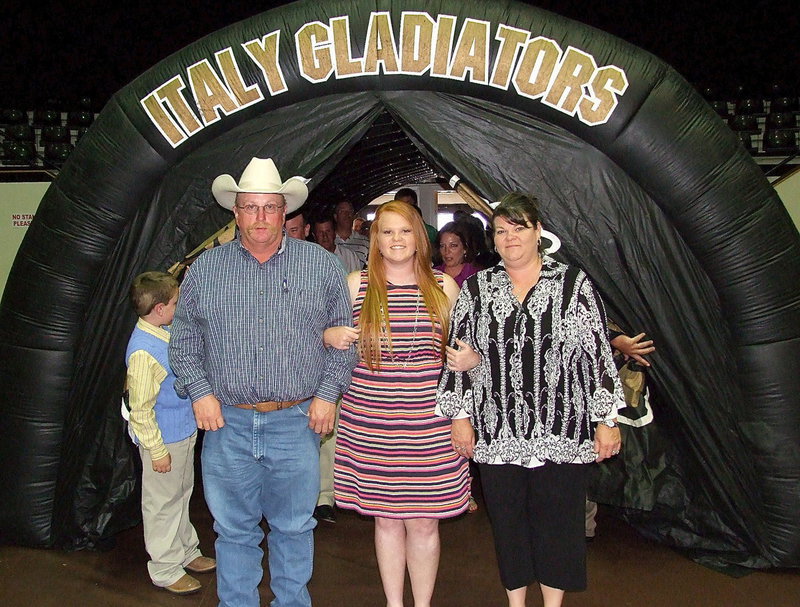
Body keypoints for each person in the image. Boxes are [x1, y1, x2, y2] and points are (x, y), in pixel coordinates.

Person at [169, 157, 356, 607]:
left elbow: (343, 340)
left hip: (296, 421)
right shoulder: (205, 271)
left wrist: (328, 396)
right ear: (235, 212)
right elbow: (182, 343)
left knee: (294, 527)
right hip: (227, 425)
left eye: (270, 208)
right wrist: (200, 392)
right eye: (250, 207)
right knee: (233, 530)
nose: (260, 218)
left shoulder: (321, 267)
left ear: (284, 212)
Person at [436, 192, 625, 607]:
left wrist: (606, 418)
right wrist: (459, 416)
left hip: (562, 427)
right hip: (498, 428)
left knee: (558, 524)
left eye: (519, 228)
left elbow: (596, 353)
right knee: (508, 524)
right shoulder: (477, 288)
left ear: (538, 232)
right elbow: (459, 354)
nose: (510, 238)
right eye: (501, 231)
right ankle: (516, 603)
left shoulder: (573, 284)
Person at [333, 200, 470, 607]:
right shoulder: (355, 284)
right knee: (387, 520)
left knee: (426, 524)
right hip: (371, 423)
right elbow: (322, 340)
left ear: (419, 239)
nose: (396, 239)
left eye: (405, 231)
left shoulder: (444, 287)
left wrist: (471, 364)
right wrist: (329, 336)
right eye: (388, 231)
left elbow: (464, 355)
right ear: (375, 239)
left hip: (430, 425)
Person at [125, 271, 216, 595]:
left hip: (182, 433)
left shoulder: (164, 333)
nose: (179, 307)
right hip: (163, 441)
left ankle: (185, 551)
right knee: (161, 504)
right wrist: (156, 449)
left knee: (180, 495)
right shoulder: (143, 352)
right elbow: (140, 409)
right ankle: (164, 567)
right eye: (176, 302)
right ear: (161, 308)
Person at [284, 209, 340, 524]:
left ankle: (324, 498)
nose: (289, 235)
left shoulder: (325, 265)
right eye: (285, 229)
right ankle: (296, 500)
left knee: (325, 436)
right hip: (289, 372)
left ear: (305, 230)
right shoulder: (269, 265)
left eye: (294, 229)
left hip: (322, 366)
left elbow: (339, 320)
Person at [434, 221, 483, 287]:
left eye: (453, 245)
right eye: (442, 246)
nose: (446, 251)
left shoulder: (478, 276)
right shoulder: (432, 275)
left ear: (465, 248)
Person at [333, 199, 370, 266]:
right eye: (342, 211)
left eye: (350, 211)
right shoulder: (329, 241)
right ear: (335, 217)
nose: (347, 214)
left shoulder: (365, 241)